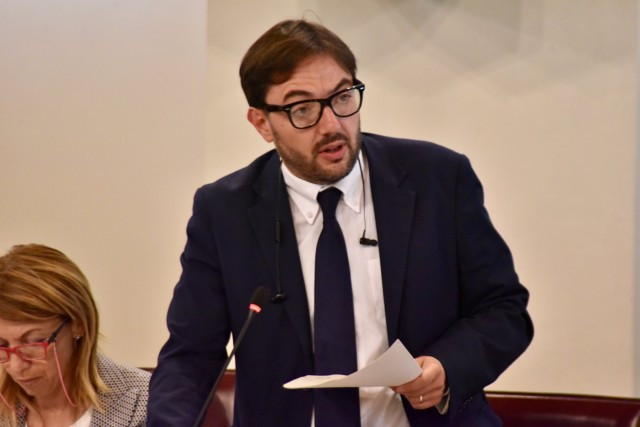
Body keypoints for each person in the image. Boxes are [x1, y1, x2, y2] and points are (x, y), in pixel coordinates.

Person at [148, 19, 533, 426]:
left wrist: (447, 366)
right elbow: (190, 356)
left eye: (343, 97)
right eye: (302, 109)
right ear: (262, 123)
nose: (332, 124)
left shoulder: (438, 179)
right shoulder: (224, 211)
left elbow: (504, 310)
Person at [0, 244, 150, 427]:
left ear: (78, 323)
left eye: (34, 342)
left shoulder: (148, 402)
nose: (16, 367)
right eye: (2, 345)